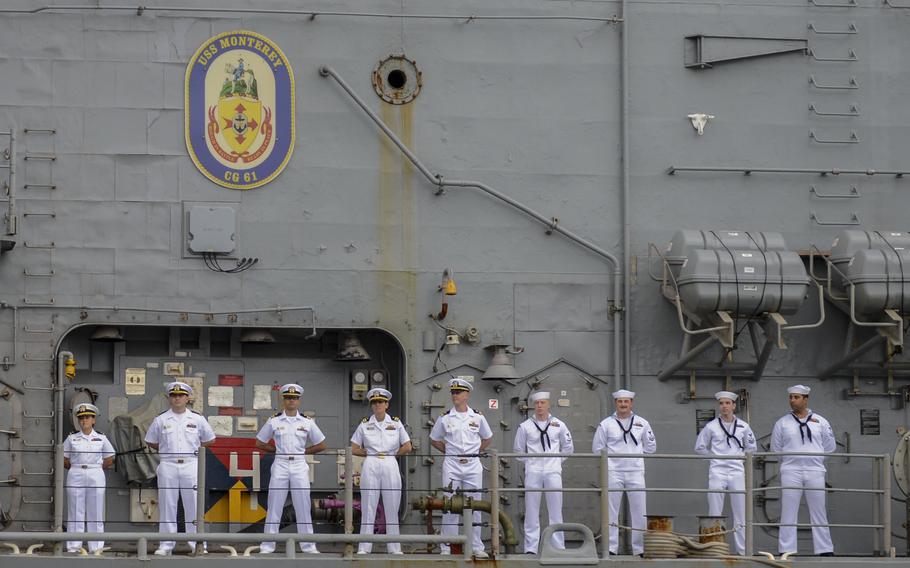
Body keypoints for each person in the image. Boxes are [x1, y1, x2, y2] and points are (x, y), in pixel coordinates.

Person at [144, 381, 216, 556]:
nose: (177, 398)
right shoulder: (160, 419)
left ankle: (197, 544)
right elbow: (151, 441)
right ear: (169, 398)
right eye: (174, 395)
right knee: (168, 505)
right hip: (168, 464)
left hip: (191, 464)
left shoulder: (197, 419)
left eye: (181, 395)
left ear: (187, 398)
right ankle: (166, 545)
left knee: (193, 505)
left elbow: (210, 439)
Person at [256, 383, 327, 554]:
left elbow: (321, 444)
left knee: (302, 505)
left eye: (294, 398)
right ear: (283, 400)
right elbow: (259, 442)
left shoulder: (306, 422)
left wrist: (304, 451)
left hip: (299, 464)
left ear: (299, 401)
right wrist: (276, 450)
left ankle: (308, 545)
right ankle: (268, 545)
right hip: (280, 463)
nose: (291, 401)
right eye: (288, 398)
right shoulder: (274, 421)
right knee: (274, 505)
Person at [429, 377, 494, 558]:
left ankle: (476, 546)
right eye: (452, 392)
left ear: (467, 394)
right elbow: (434, 439)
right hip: (452, 465)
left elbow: (487, 438)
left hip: (473, 465)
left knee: (475, 505)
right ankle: (447, 546)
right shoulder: (445, 418)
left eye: (458, 392)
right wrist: (449, 451)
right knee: (449, 505)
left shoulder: (478, 417)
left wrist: (475, 451)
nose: (454, 395)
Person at [771, 385, 836, 557]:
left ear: (805, 399)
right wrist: (791, 461)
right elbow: (776, 448)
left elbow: (830, 447)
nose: (792, 400)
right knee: (788, 510)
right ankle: (787, 549)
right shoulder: (782, 423)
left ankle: (825, 549)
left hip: (815, 469)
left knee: (819, 510)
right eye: (791, 397)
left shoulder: (821, 422)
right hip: (791, 470)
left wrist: (816, 460)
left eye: (796, 397)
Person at [592, 389, 656, 556]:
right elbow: (597, 448)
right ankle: (611, 548)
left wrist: (636, 457)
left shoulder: (642, 423)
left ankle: (639, 549)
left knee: (639, 511)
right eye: (620, 401)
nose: (623, 404)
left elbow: (651, 447)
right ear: (616, 403)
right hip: (614, 471)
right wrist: (612, 461)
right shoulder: (606, 424)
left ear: (631, 403)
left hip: (635, 472)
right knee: (611, 511)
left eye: (626, 401)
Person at [350, 387, 412, 555]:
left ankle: (394, 548)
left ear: (387, 404)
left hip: (390, 463)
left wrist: (392, 454)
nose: (377, 405)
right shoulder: (365, 424)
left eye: (380, 402)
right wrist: (369, 453)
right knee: (368, 506)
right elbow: (354, 447)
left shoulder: (396, 423)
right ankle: (364, 547)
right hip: (371, 463)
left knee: (392, 507)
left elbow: (407, 446)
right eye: (374, 402)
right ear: (371, 405)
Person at [694, 391, 756, 555]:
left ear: (734, 406)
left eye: (728, 403)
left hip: (736, 471)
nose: (724, 406)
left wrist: (741, 459)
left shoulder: (743, 426)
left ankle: (743, 551)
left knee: (740, 512)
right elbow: (699, 447)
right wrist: (713, 458)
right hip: (718, 471)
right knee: (714, 511)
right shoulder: (711, 426)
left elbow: (751, 448)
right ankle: (714, 548)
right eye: (721, 403)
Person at [513, 391, 574, 555]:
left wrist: (555, 462)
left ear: (549, 404)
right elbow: (518, 450)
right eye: (537, 403)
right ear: (533, 405)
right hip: (533, 472)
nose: (540, 406)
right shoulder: (525, 426)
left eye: (543, 403)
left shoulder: (559, 425)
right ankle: (531, 548)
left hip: (553, 471)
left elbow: (568, 448)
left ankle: (558, 546)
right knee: (531, 511)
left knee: (556, 511)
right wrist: (532, 462)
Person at [63, 403, 116, 554]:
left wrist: (96, 468)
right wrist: (76, 467)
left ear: (93, 420)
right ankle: (74, 546)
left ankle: (96, 547)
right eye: (81, 418)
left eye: (87, 417)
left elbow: (109, 458)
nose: (84, 421)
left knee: (96, 510)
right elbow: (64, 458)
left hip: (95, 474)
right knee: (75, 511)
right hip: (76, 473)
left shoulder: (101, 438)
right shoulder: (72, 438)